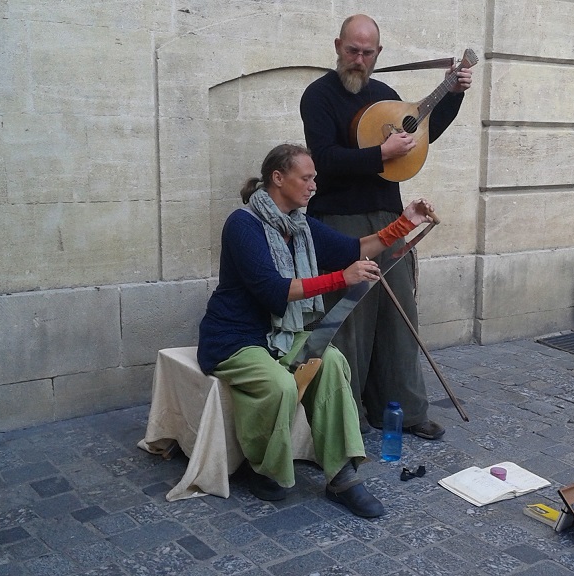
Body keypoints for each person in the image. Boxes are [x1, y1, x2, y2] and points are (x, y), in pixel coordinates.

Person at [197, 143, 434, 518]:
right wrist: (341, 278)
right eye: (306, 178)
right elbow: (271, 288)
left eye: (314, 179)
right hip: (235, 337)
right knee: (279, 384)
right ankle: (264, 468)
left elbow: (355, 247)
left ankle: (342, 477)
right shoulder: (242, 224)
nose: (313, 187)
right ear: (278, 178)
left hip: (284, 335)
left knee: (333, 362)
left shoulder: (301, 226)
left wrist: (405, 222)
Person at [300, 14, 472, 440]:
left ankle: (403, 410)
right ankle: (344, 419)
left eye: (367, 52)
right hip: (337, 222)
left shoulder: (386, 95)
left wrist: (453, 94)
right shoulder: (318, 96)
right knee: (348, 322)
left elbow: (421, 134)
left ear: (379, 54)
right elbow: (322, 158)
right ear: (337, 45)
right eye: (352, 50)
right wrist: (380, 153)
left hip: (390, 219)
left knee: (398, 317)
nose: (358, 59)